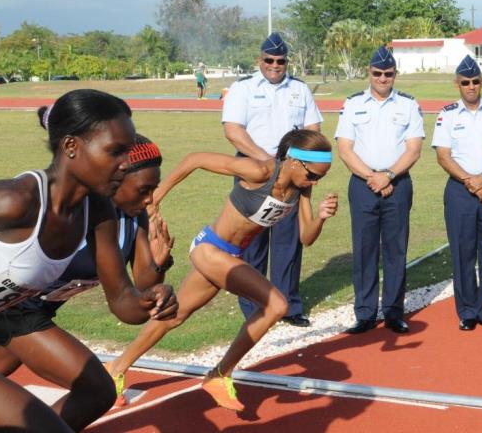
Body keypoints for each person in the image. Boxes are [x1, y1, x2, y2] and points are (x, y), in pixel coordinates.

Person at [0, 89, 177, 433]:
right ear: (72, 147)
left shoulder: (98, 211)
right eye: (116, 151)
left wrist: (151, 299)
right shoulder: (17, 200)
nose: (125, 163)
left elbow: (123, 303)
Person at [104, 129, 338, 412]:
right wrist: (156, 198)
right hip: (210, 248)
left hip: (230, 255)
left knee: (174, 316)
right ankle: (219, 374)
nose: (314, 181)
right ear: (293, 160)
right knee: (276, 304)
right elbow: (195, 159)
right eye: (312, 174)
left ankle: (115, 368)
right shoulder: (260, 170)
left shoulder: (302, 188)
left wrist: (322, 217)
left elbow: (306, 238)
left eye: (320, 177)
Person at [221, 32, 323, 327]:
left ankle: (289, 305)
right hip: (253, 171)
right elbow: (233, 130)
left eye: (280, 61)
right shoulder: (243, 89)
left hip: (291, 173)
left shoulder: (300, 89)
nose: (275, 65)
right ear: (260, 60)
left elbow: (312, 129)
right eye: (269, 60)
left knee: (288, 241)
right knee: (251, 240)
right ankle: (254, 307)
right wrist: (265, 160)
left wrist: (297, 163)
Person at [335, 46, 424, 335]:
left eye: (388, 74)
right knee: (364, 249)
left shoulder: (408, 105)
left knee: (396, 250)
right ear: (368, 73)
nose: (383, 78)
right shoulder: (353, 104)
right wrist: (372, 177)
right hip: (362, 185)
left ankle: (394, 312)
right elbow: (345, 149)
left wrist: (387, 176)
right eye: (377, 73)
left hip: (397, 183)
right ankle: (365, 313)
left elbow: (414, 149)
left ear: (394, 74)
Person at [432, 55, 482, 331]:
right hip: (460, 191)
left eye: (475, 82)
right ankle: (467, 310)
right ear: (458, 84)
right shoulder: (447, 115)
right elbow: (443, 156)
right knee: (462, 252)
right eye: (465, 82)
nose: (471, 86)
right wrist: (471, 181)